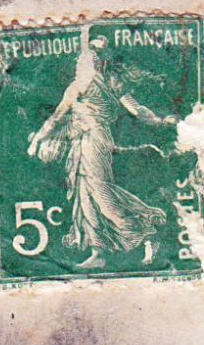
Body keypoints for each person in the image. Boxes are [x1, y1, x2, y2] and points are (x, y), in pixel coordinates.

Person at [27, 24, 176, 269]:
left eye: (87, 58)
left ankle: (147, 233)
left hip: (95, 142)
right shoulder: (101, 85)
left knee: (101, 194)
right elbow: (136, 110)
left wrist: (36, 141)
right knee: (86, 195)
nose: (82, 62)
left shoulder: (86, 86)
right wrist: (159, 120)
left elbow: (56, 118)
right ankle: (99, 253)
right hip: (85, 142)